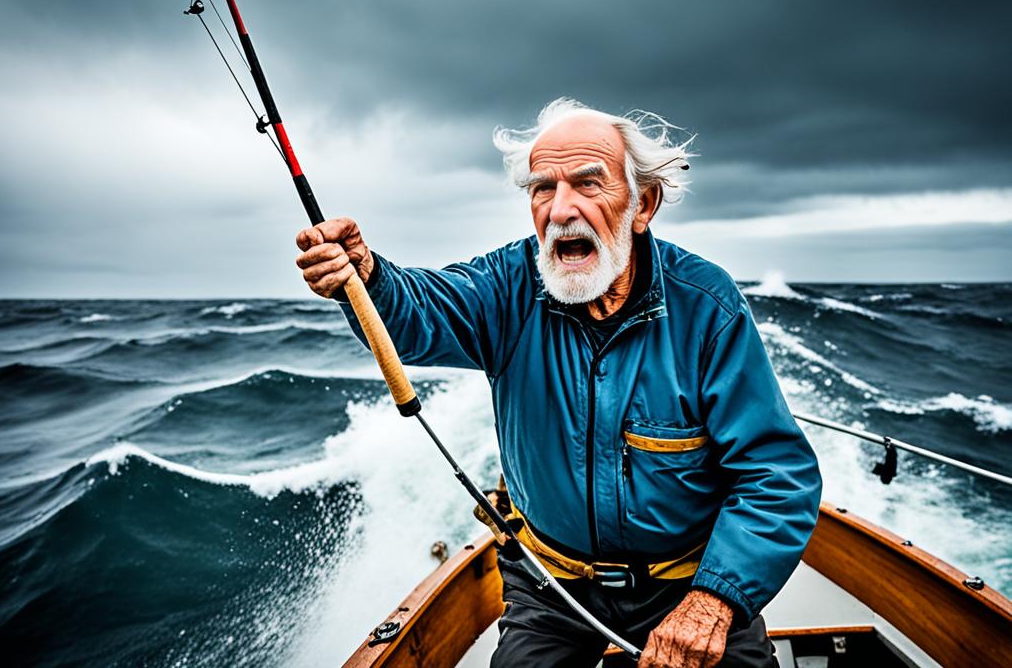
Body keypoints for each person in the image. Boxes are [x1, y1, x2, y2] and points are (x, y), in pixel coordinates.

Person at [295, 98, 822, 668]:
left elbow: (777, 477)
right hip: (550, 586)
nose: (561, 208)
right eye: (543, 188)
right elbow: (419, 315)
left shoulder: (707, 307)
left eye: (588, 184)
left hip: (687, 584)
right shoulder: (506, 286)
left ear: (642, 204)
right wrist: (366, 276)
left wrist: (713, 602)